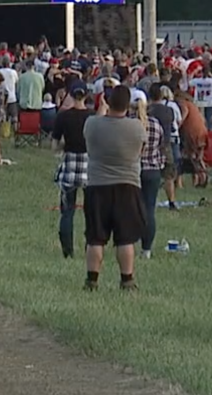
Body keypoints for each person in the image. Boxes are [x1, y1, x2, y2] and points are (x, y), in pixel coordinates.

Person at [81, 84, 146, 290]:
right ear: (128, 105)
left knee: (95, 238)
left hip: (98, 185)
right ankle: (127, 279)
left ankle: (92, 279)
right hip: (127, 185)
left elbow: (93, 127)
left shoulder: (92, 124)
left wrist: (102, 108)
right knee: (125, 238)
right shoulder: (136, 128)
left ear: (108, 102)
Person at [52, 83, 92, 259]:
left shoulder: (63, 117)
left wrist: (64, 144)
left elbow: (55, 146)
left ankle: (67, 251)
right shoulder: (92, 117)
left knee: (67, 211)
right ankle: (91, 247)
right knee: (92, 212)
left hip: (70, 162)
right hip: (89, 165)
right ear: (86, 96)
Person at [135, 98, 166, 259]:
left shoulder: (130, 124)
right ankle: (146, 249)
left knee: (132, 207)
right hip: (153, 169)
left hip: (134, 169)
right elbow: (162, 143)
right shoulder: (155, 124)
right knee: (149, 208)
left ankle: (128, 241)